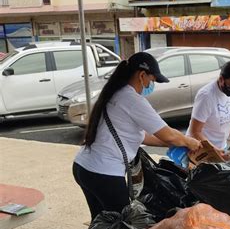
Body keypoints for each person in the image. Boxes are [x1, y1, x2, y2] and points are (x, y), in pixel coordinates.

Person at [73, 52, 200, 220]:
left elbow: (144, 137)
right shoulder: (132, 99)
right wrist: (190, 142)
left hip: (84, 167)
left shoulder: (116, 93)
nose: (151, 84)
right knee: (123, 226)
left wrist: (176, 144)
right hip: (104, 173)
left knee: (101, 223)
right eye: (152, 80)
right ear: (142, 75)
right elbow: (168, 134)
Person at [187, 60, 230, 157]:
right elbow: (195, 132)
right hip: (200, 149)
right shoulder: (206, 96)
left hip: (221, 147)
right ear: (221, 79)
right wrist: (214, 150)